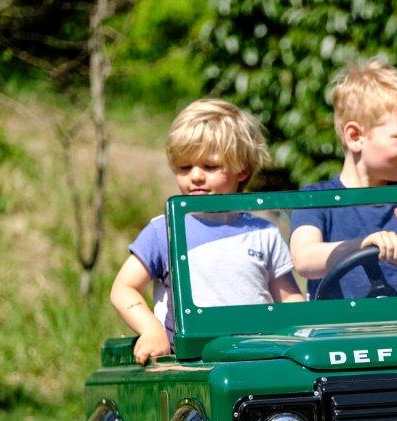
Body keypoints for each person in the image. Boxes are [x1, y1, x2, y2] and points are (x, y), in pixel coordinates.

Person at [110, 98, 303, 364]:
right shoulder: (165, 231)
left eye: (209, 166)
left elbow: (289, 299)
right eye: (184, 167)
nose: (196, 176)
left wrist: (301, 335)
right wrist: (152, 330)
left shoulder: (264, 232)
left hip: (260, 360)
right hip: (190, 365)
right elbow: (124, 288)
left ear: (242, 170)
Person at [289, 59, 397, 299]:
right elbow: (304, 260)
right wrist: (365, 244)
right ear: (355, 136)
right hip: (335, 334)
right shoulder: (316, 200)